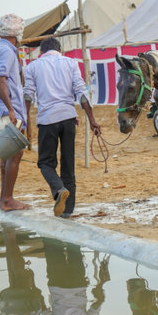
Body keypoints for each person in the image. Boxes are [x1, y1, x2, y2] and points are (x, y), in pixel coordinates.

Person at [23, 37, 101, 218]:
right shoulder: (71, 63)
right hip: (68, 118)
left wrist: (24, 121)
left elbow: (28, 95)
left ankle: (59, 189)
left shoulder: (33, 66)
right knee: (68, 164)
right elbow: (81, 92)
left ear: (41, 52)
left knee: (45, 163)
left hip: (47, 120)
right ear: (60, 50)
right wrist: (92, 119)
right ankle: (67, 212)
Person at [0, 13, 30, 212]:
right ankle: (7, 199)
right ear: (17, 33)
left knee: (8, 155)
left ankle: (5, 198)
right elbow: (0, 79)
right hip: (3, 110)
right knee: (15, 153)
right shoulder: (7, 51)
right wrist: (11, 109)